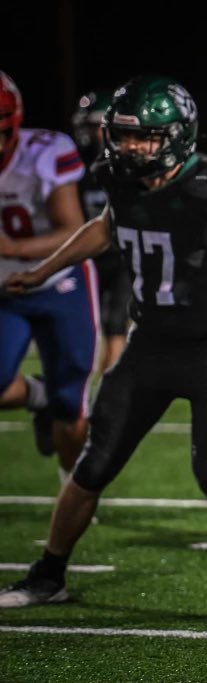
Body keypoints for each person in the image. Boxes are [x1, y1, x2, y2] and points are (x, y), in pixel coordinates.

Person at [0, 75, 207, 608]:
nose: (131, 147)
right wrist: (42, 269)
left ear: (176, 135)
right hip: (149, 342)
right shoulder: (119, 180)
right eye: (124, 135)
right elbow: (104, 227)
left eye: (145, 137)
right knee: (94, 461)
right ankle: (48, 575)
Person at [0, 71, 97, 475]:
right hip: (6, 290)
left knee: (71, 405)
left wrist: (14, 249)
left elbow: (73, 230)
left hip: (61, 282)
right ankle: (38, 396)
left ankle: (70, 493)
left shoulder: (44, 152)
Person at [72, 88, 132, 373]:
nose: (93, 133)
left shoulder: (127, 164)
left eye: (98, 126)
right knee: (86, 327)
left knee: (116, 324)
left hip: (121, 254)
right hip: (88, 255)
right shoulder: (74, 165)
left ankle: (110, 394)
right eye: (89, 126)